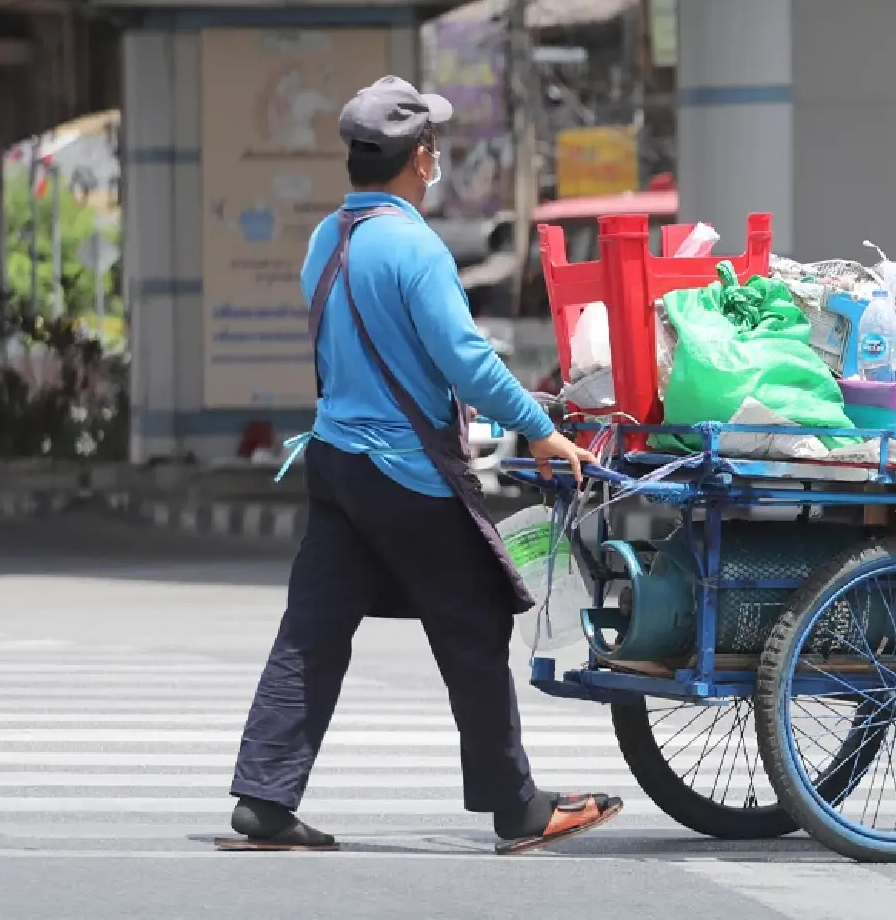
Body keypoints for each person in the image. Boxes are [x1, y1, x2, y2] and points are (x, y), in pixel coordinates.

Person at [222, 76, 616, 855]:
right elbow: (465, 361)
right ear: (419, 159)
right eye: (432, 145)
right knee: (470, 620)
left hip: (334, 462)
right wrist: (539, 429)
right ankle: (518, 807)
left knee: (314, 629)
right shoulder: (413, 247)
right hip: (404, 471)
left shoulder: (325, 240)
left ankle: (265, 796)